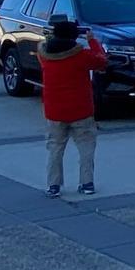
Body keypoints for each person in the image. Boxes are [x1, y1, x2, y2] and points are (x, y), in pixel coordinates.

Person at [38, 18, 107, 196]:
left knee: (55, 148)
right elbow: (101, 61)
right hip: (81, 109)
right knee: (86, 147)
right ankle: (87, 183)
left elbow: (45, 43)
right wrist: (93, 41)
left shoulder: (44, 55)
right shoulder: (81, 56)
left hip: (54, 111)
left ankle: (53, 186)